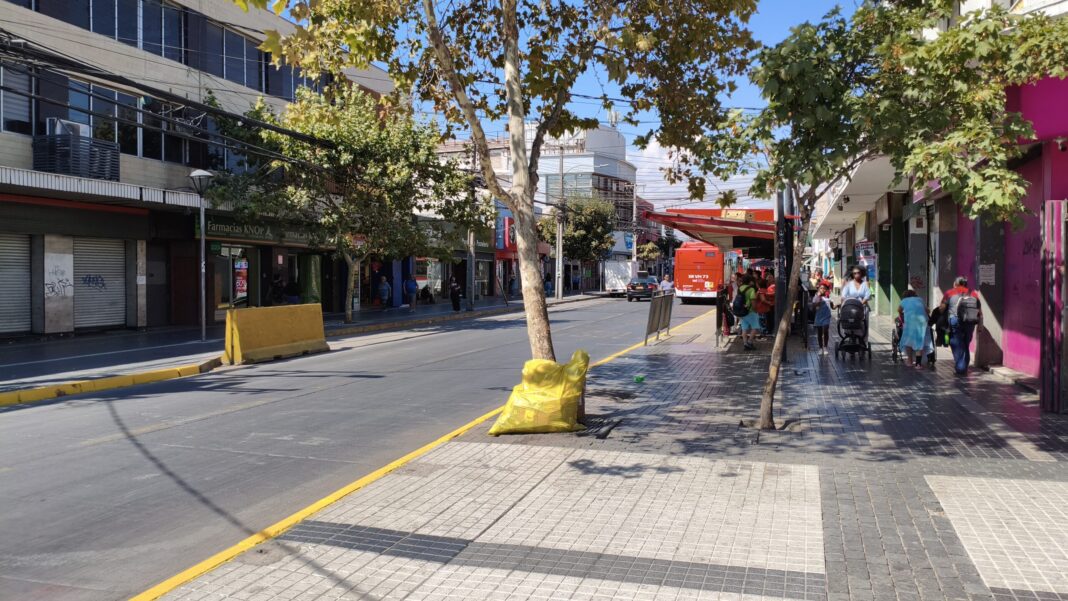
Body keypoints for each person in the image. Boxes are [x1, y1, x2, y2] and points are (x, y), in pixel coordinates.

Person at [939, 276, 982, 375]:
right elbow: (979, 311)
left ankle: (960, 368)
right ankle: (963, 367)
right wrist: (980, 324)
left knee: (956, 344)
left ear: (955, 283)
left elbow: (941, 308)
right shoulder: (973, 293)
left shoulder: (949, 293)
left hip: (955, 320)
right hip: (970, 321)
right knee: (965, 344)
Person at [898, 290, 931, 367]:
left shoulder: (904, 301)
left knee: (908, 340)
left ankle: (910, 361)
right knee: (919, 341)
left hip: (910, 322)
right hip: (921, 322)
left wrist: (902, 316)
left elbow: (899, 310)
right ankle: (918, 364)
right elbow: (928, 310)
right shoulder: (920, 300)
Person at [841, 266, 872, 336]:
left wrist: (860, 304)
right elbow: (843, 296)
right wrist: (843, 306)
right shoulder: (849, 284)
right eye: (854, 273)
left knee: (863, 325)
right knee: (850, 322)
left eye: (858, 273)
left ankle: (863, 340)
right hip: (850, 307)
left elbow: (867, 295)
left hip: (862, 307)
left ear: (862, 273)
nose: (856, 275)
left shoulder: (865, 284)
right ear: (852, 274)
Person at [737, 274, 760, 351]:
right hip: (750, 311)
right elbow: (753, 301)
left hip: (742, 311)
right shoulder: (751, 290)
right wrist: (755, 310)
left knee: (744, 328)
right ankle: (750, 342)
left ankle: (745, 343)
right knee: (755, 327)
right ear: (750, 281)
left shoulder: (740, 288)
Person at [812, 282, 835, 354]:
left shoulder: (828, 298)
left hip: (826, 316)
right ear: (818, 289)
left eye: (824, 289)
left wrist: (838, 305)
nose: (822, 290)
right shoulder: (816, 297)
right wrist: (819, 297)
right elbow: (814, 306)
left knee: (825, 329)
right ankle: (820, 347)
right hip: (819, 316)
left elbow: (832, 307)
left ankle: (825, 347)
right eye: (821, 288)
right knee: (819, 332)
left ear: (826, 290)